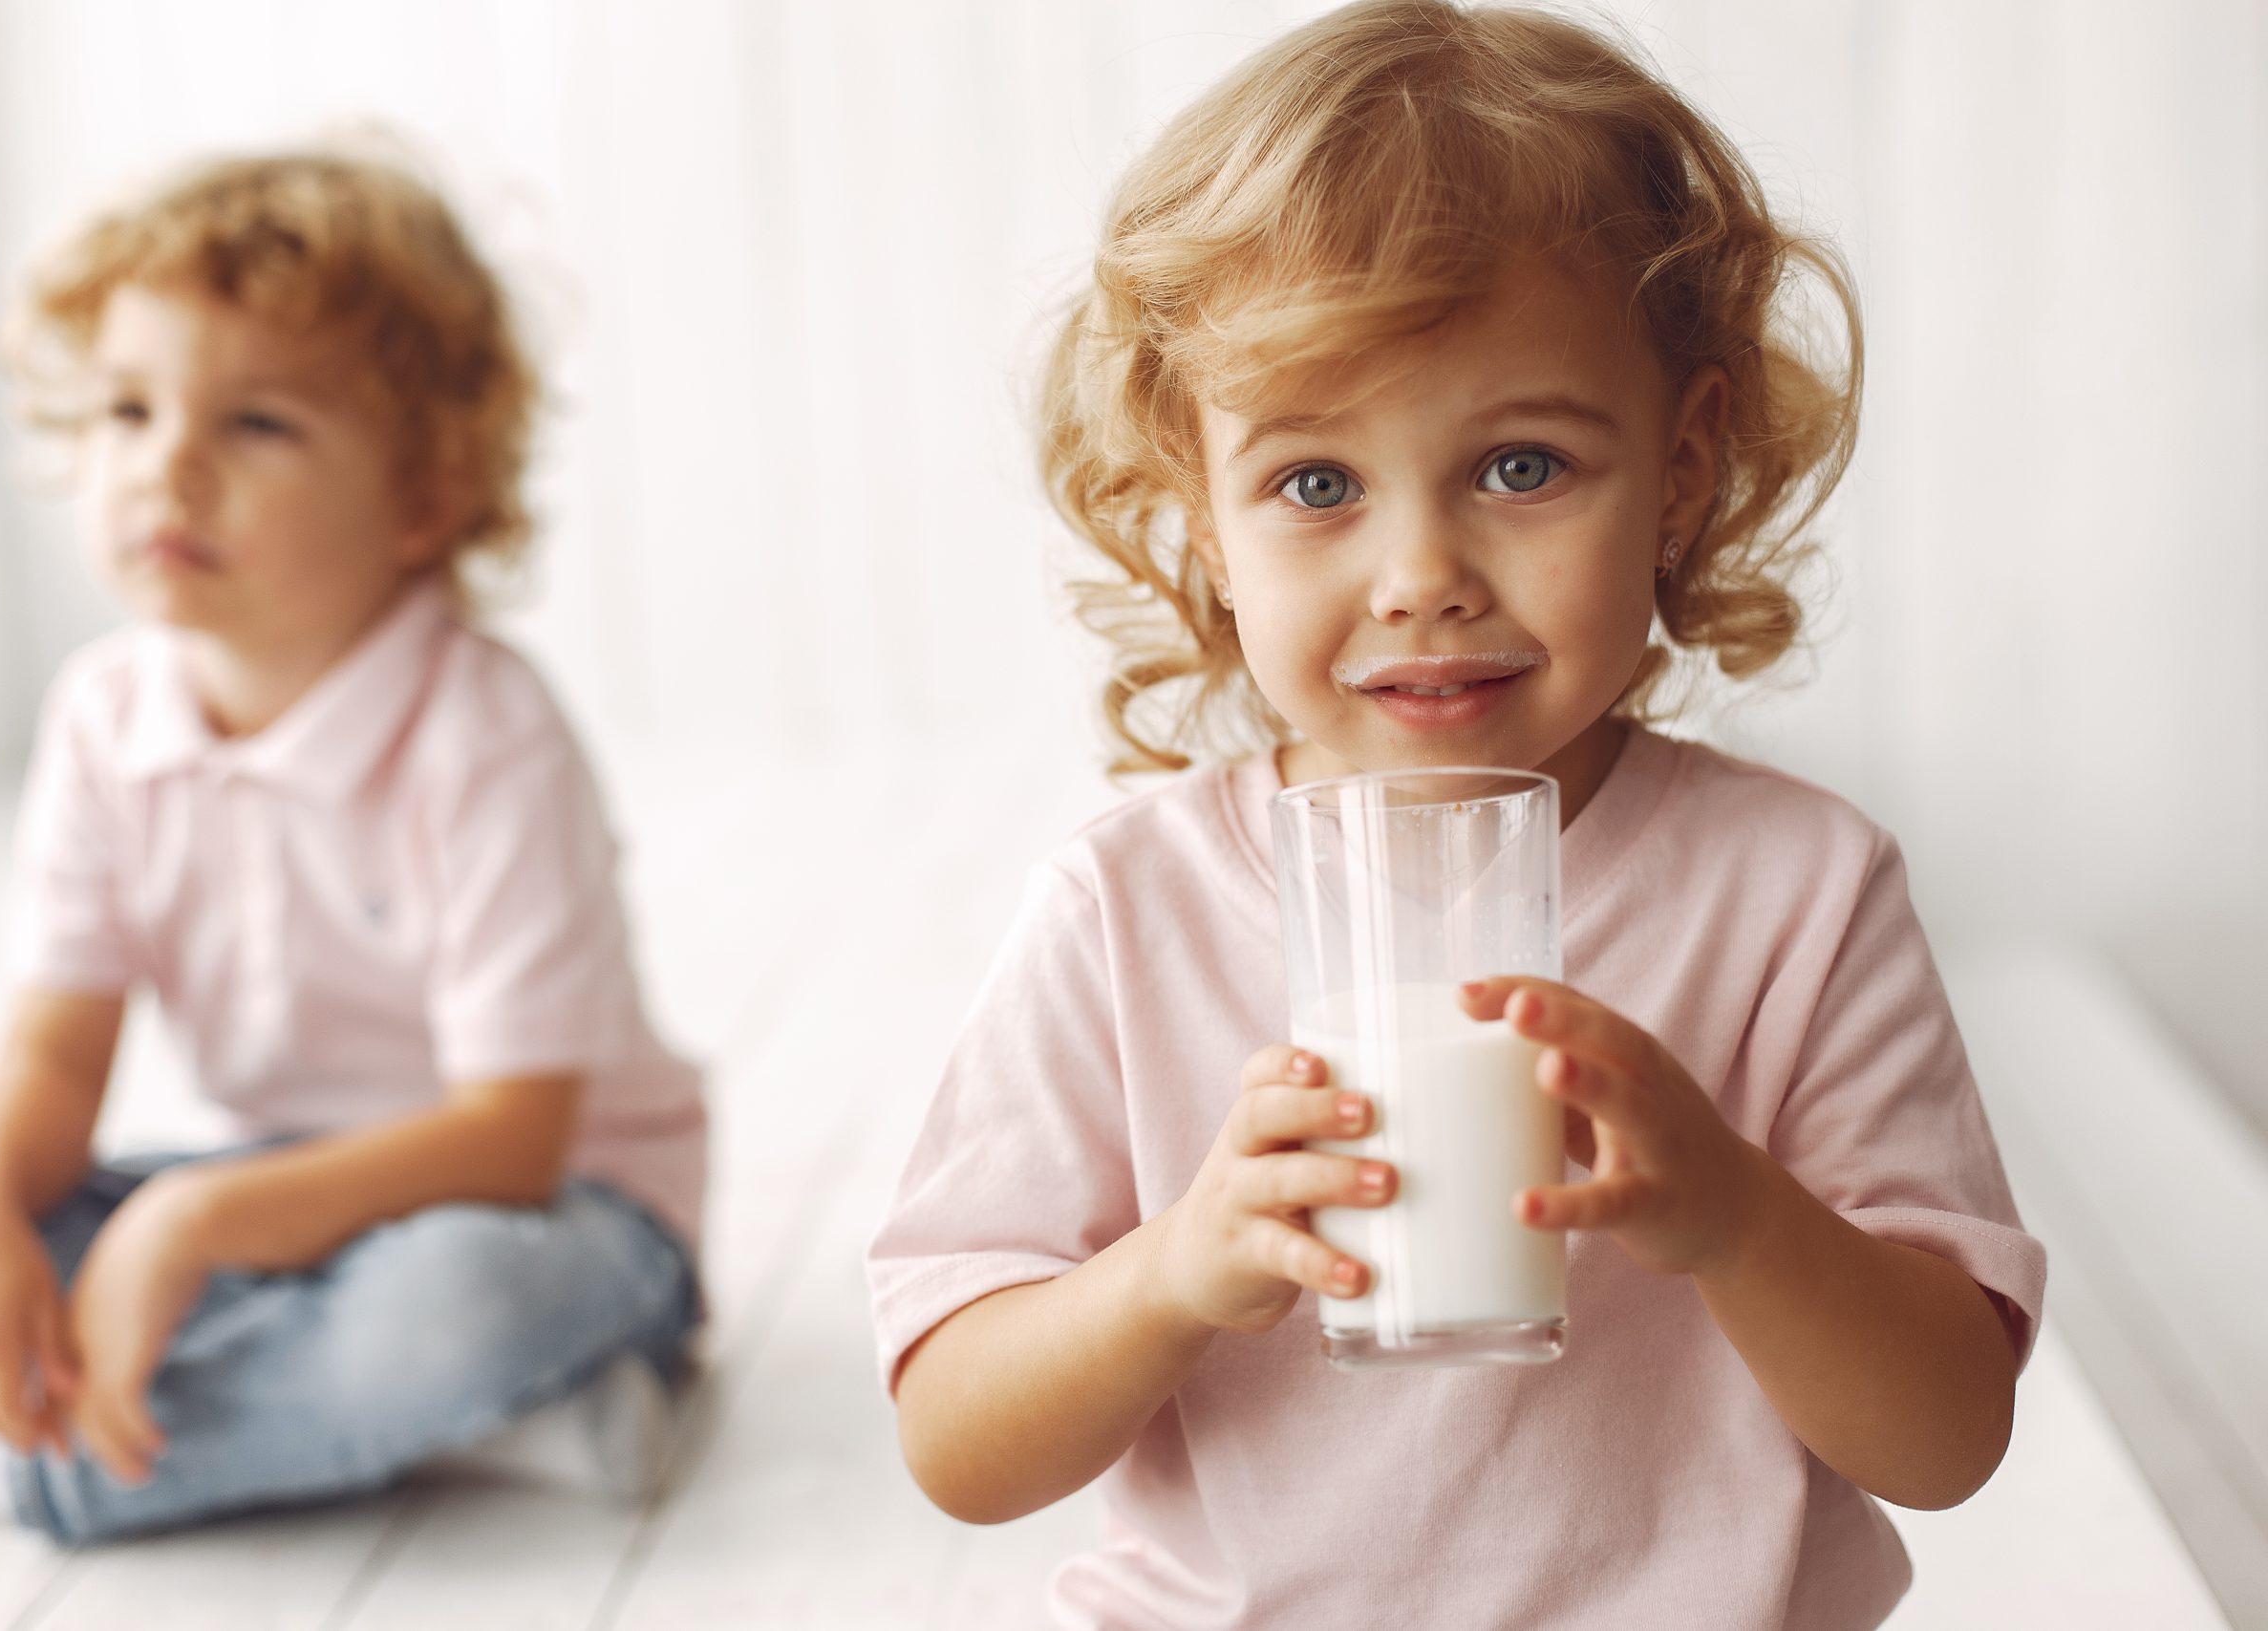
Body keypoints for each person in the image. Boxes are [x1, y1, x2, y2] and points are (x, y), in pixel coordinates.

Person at [867, 4, 2045, 1625]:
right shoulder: (1123, 909)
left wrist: (1730, 1210)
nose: (1420, 577)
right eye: (1317, 485)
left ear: (1685, 467)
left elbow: (1948, 1435)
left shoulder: (1798, 894)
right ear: (1200, 516)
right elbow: (957, 1442)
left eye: (1520, 467)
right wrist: (1177, 1269)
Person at [0, 149, 706, 1544]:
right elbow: (55, 1056)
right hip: (291, 1188)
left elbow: (514, 1137)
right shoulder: (105, 718)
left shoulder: (485, 734)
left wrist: (191, 1229)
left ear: (423, 495)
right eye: (126, 408)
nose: (165, 465)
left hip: (550, 1212)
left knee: (458, 1312)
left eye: (257, 426)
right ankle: (500, 1427)